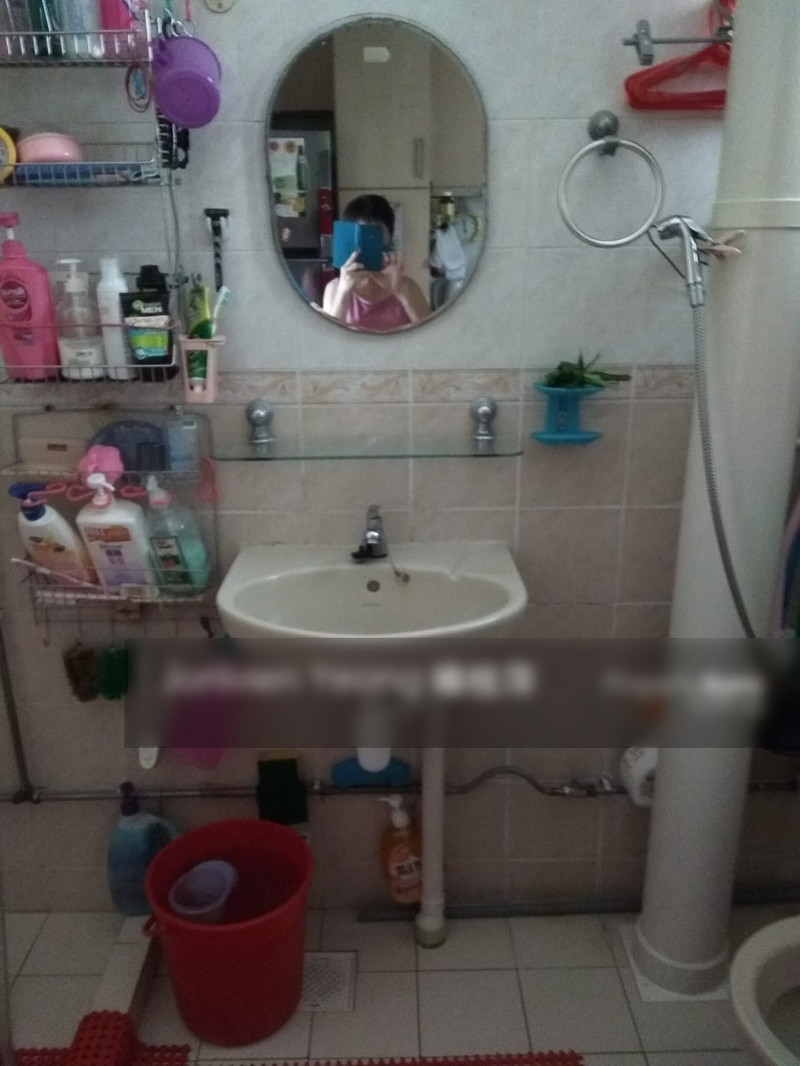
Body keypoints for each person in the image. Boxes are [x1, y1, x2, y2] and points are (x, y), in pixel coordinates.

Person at [322, 194, 429, 331]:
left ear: (390, 238)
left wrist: (400, 291)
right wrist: (344, 291)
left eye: (375, 234)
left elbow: (431, 336)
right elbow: (329, 340)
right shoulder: (335, 288)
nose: (368, 244)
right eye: (361, 236)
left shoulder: (408, 286)